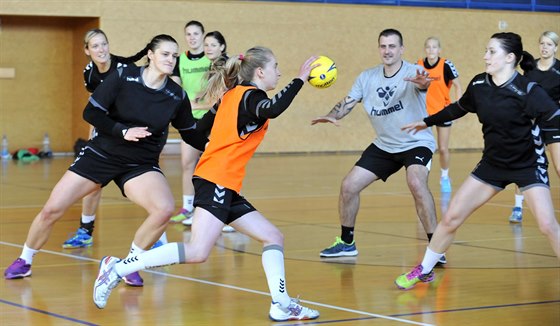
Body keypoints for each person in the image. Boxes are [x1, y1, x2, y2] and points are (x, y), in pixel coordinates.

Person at [92, 47, 320, 322]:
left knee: (273, 237)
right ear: (260, 71)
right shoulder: (251, 97)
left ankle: (281, 304)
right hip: (217, 180)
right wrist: (300, 80)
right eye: (276, 66)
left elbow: (198, 131)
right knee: (198, 251)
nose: (279, 72)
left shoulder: (229, 97)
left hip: (223, 180)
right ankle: (117, 269)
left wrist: (218, 144)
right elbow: (272, 109)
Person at [4, 35, 208, 290]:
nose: (171, 59)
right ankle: (25, 259)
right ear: (151, 56)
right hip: (102, 153)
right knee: (51, 210)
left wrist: (216, 120)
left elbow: (191, 133)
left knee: (164, 209)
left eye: (174, 55)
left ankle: (129, 265)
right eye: (165, 54)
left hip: (139, 163)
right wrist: (122, 131)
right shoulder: (124, 77)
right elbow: (91, 112)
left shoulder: (175, 95)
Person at [395, 32, 560, 291]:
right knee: (451, 218)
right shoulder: (479, 84)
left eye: (491, 52)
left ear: (510, 58)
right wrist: (426, 121)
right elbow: (459, 107)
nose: (485, 56)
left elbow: (555, 118)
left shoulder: (529, 91)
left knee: (548, 224)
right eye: (486, 50)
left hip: (528, 165)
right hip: (492, 164)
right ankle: (424, 269)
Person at [313, 29, 443, 265]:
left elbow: (422, 85)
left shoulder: (413, 72)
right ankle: (346, 243)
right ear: (379, 48)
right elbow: (348, 102)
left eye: (392, 46)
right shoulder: (367, 77)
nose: (387, 51)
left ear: (401, 49)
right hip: (385, 144)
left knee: (416, 181)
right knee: (349, 186)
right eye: (383, 46)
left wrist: (423, 84)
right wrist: (333, 115)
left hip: (416, 142)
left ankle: (436, 248)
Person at [62, 29, 149, 251]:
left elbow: (139, 101)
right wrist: (94, 132)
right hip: (106, 134)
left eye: (104, 44)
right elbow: (96, 106)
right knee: (93, 184)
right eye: (95, 46)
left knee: (140, 186)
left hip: (129, 134)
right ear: (87, 50)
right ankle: (85, 231)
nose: (101, 50)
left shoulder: (124, 70)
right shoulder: (89, 73)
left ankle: (157, 235)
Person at [180, 30, 235, 232]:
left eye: (213, 45)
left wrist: (196, 107)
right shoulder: (215, 66)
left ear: (222, 47)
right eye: (206, 45)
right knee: (208, 169)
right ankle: (209, 212)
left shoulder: (227, 67)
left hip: (226, 125)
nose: (208, 48)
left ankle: (226, 215)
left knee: (223, 170)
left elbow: (224, 102)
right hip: (214, 123)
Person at [507, 30, 560, 223]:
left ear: (556, 47)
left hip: (554, 125)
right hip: (532, 124)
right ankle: (518, 207)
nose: (545, 47)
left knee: (559, 167)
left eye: (549, 44)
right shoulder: (530, 68)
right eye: (542, 43)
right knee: (525, 165)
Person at [169, 20, 212, 224]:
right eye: (188, 34)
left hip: (210, 117)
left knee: (211, 164)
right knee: (187, 163)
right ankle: (188, 207)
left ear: (203, 36)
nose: (192, 37)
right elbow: (177, 86)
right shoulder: (180, 61)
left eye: (196, 33)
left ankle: (209, 207)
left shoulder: (212, 59)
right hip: (189, 119)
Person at [418, 36, 462, 193]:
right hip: (425, 113)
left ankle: (444, 176)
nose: (431, 50)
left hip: (443, 112)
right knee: (424, 147)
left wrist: (457, 110)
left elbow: (458, 86)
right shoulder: (419, 65)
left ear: (439, 50)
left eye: (434, 47)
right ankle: (422, 177)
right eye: (428, 47)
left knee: (442, 148)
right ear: (425, 49)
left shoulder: (446, 65)